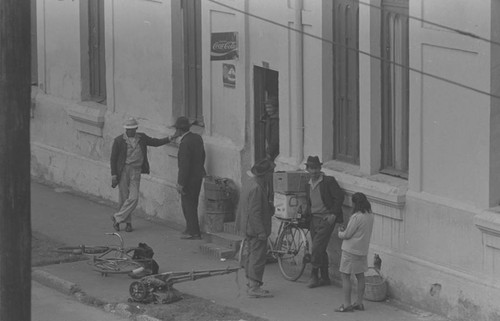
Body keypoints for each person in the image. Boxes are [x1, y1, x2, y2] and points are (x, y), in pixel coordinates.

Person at [110, 117, 176, 232]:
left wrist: (169, 138)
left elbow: (155, 142)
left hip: (136, 170)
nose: (129, 131)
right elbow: (113, 159)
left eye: (132, 129)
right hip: (124, 170)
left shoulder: (142, 138)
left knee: (134, 198)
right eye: (128, 129)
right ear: (125, 129)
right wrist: (114, 175)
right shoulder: (119, 141)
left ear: (136, 129)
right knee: (123, 197)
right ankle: (127, 223)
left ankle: (117, 218)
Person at [303, 155, 345, 288]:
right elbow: (309, 202)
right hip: (314, 219)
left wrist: (333, 213)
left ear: (320, 168)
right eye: (311, 168)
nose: (314, 171)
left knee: (316, 247)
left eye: (316, 168)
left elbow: (339, 197)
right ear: (308, 169)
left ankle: (314, 275)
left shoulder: (328, 181)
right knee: (320, 248)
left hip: (326, 219)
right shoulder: (308, 184)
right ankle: (325, 277)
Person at [239, 159, 276, 298]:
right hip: (255, 229)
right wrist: (261, 231)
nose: (271, 175)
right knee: (257, 257)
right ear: (265, 174)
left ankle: (250, 283)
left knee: (251, 255)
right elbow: (254, 212)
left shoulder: (251, 184)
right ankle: (254, 287)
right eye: (270, 172)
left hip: (248, 227)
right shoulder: (257, 188)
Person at [335, 192, 374, 313]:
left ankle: (347, 304)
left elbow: (347, 234)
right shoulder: (370, 215)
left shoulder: (356, 217)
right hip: (362, 250)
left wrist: (339, 232)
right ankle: (359, 302)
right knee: (360, 275)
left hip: (350, 250)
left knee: (345, 275)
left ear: (354, 203)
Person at [172, 116, 206, 240]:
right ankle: (191, 229)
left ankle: (193, 231)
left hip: (188, 179)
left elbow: (184, 165)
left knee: (188, 205)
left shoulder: (184, 143)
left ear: (179, 130)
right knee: (193, 203)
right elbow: (203, 155)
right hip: (197, 176)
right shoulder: (197, 138)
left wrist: (181, 183)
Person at [260, 97, 279, 161]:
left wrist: (269, 151)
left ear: (275, 108)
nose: (268, 110)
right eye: (266, 108)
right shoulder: (270, 118)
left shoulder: (275, 121)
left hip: (275, 152)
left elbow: (275, 139)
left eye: (270, 107)